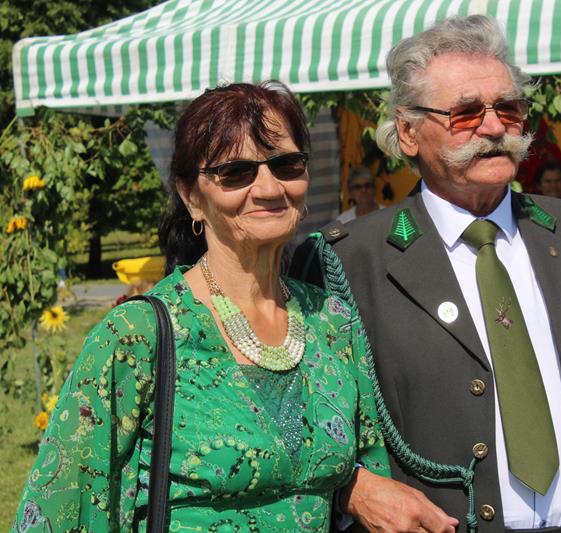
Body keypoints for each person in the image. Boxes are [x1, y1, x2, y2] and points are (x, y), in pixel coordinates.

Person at [11, 82, 456, 532]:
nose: (269, 188)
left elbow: (370, 479)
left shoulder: (332, 322)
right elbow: (58, 508)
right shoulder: (137, 335)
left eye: (286, 165)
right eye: (235, 172)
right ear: (191, 197)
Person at [296, 15, 561, 533]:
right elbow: (312, 430)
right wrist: (353, 489)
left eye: (508, 108)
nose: (495, 128)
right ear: (408, 132)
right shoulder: (350, 261)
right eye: (467, 112)